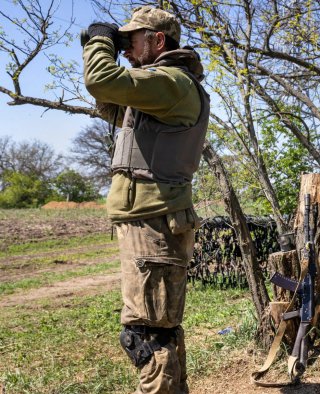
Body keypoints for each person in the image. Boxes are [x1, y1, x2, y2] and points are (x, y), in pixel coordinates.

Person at [82, 6, 209, 393]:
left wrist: (101, 43)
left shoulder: (171, 82)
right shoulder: (159, 86)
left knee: (147, 335)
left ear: (157, 41)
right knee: (157, 330)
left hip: (154, 221)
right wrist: (100, 47)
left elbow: (101, 80)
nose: (125, 50)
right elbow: (110, 102)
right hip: (148, 218)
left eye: (131, 41)